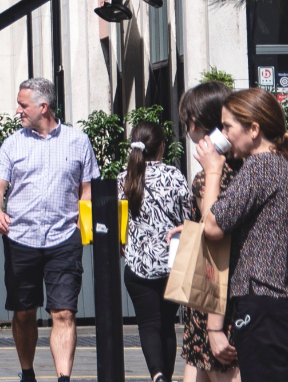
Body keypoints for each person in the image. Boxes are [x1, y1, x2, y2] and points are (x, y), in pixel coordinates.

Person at [196, 87, 288, 382]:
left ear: (254, 129)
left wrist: (212, 170)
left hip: (264, 309)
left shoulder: (262, 166)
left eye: (228, 126)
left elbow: (213, 227)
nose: (224, 134)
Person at [0, 77, 99, 382]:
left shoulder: (79, 141)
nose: (18, 110)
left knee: (63, 313)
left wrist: (81, 223)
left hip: (64, 239)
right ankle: (27, 373)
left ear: (43, 107)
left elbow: (88, 188)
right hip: (21, 239)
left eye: (23, 105)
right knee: (24, 312)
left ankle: (64, 378)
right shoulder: (13, 143)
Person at [177, 81, 242, 382]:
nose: (188, 129)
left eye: (190, 121)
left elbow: (216, 242)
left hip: (213, 297)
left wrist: (215, 326)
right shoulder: (239, 168)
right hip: (215, 295)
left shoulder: (212, 176)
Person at [123, 119, 191, 382]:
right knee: (167, 324)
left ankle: (157, 375)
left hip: (138, 263)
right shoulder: (175, 176)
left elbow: (118, 222)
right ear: (162, 146)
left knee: (147, 323)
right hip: (172, 262)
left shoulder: (124, 179)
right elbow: (188, 218)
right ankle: (168, 375)